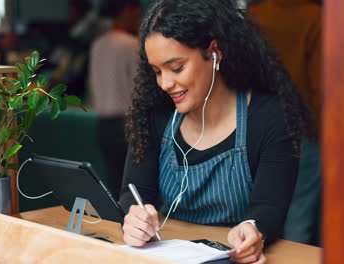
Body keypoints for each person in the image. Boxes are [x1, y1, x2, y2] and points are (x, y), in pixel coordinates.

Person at [118, 0, 313, 263]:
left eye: (176, 68)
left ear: (214, 52)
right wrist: (134, 217)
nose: (165, 83)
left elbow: (269, 207)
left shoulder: (269, 116)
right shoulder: (156, 113)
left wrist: (256, 228)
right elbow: (134, 193)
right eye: (156, 71)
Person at [248, 0, 322, 246]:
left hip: (256, 124)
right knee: (300, 212)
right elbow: (320, 82)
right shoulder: (315, 17)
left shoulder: (256, 15)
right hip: (303, 125)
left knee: (259, 211)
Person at [89, 0, 142, 198]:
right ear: (127, 10)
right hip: (126, 124)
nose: (139, 20)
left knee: (114, 183)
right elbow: (140, 89)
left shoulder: (97, 45)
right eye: (137, 14)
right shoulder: (131, 45)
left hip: (102, 126)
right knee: (131, 188)